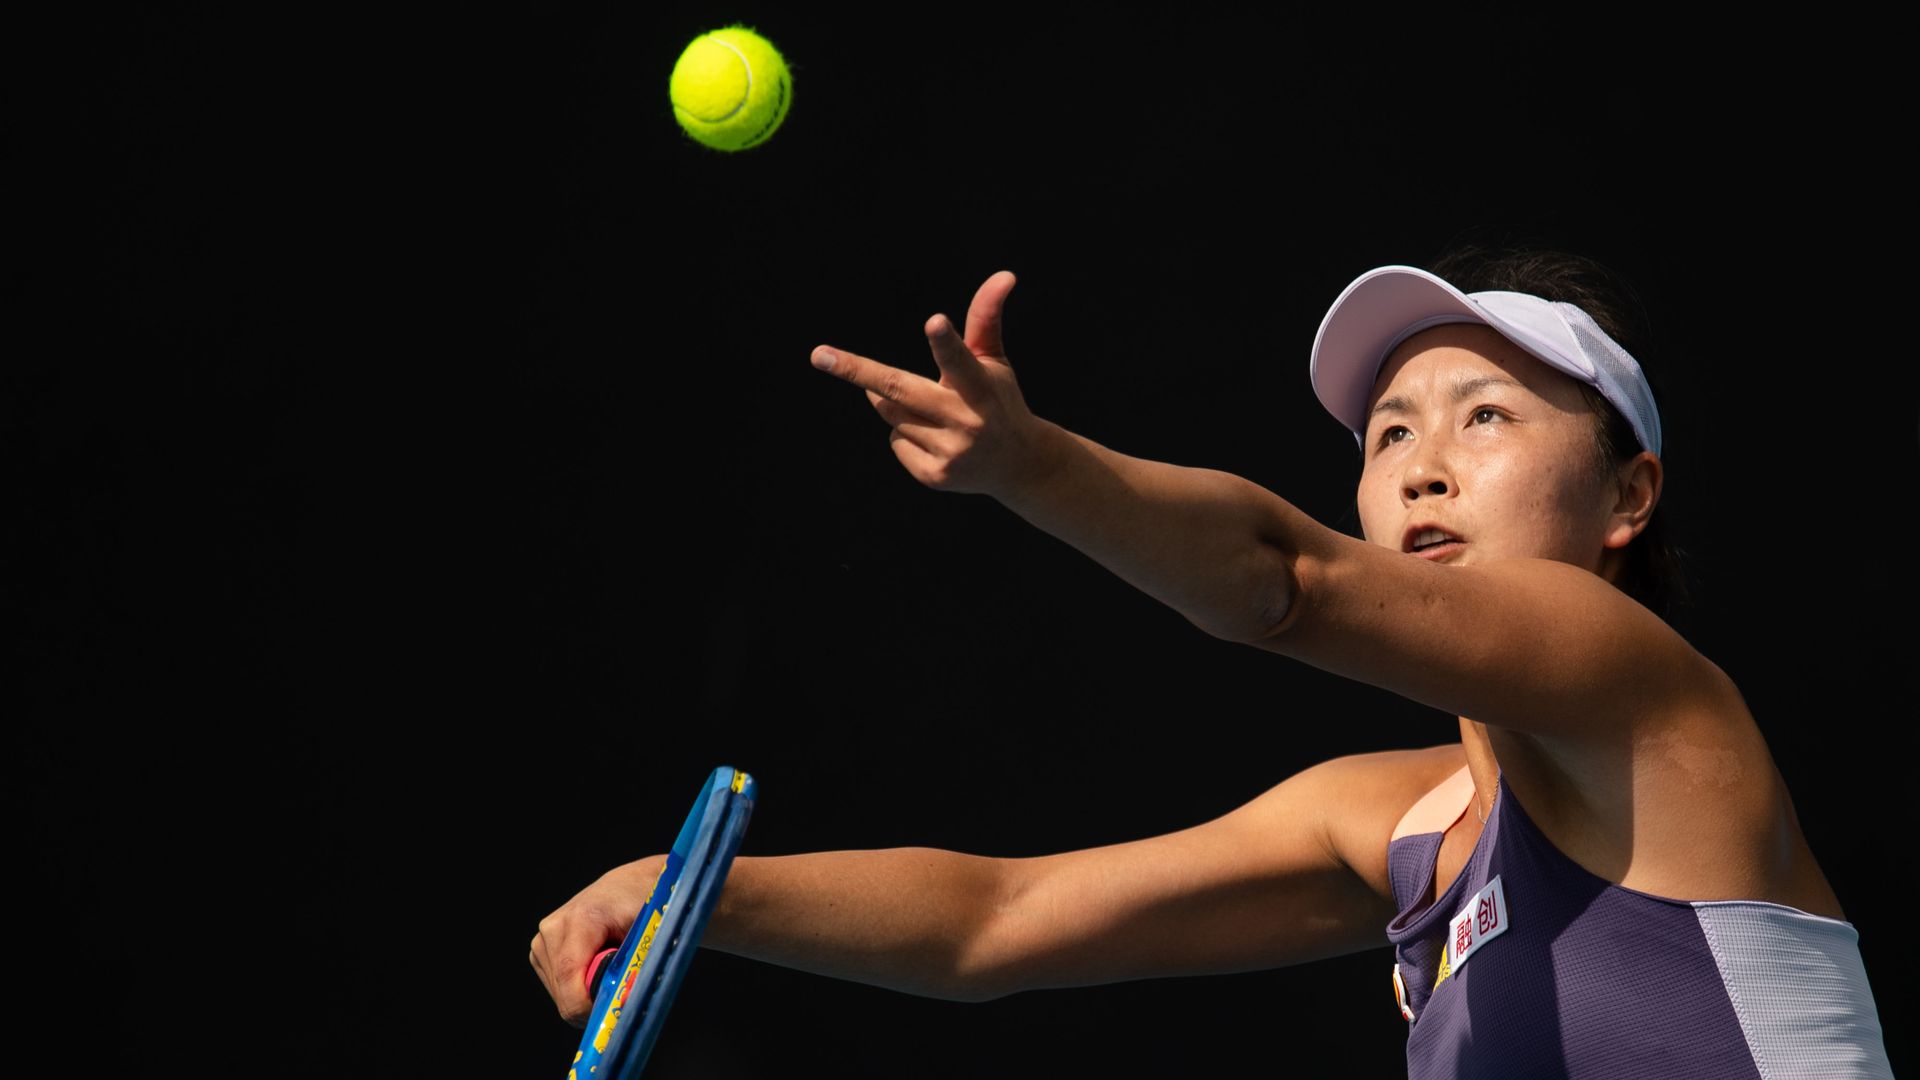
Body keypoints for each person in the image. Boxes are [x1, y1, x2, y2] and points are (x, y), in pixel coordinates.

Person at [530, 246, 1895, 1077]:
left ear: (1627, 499)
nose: (1423, 465)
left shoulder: (1638, 687)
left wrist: (1032, 465)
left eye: (1486, 416)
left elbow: (1280, 582)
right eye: (1388, 435)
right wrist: (686, 892)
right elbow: (990, 924)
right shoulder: (1394, 824)